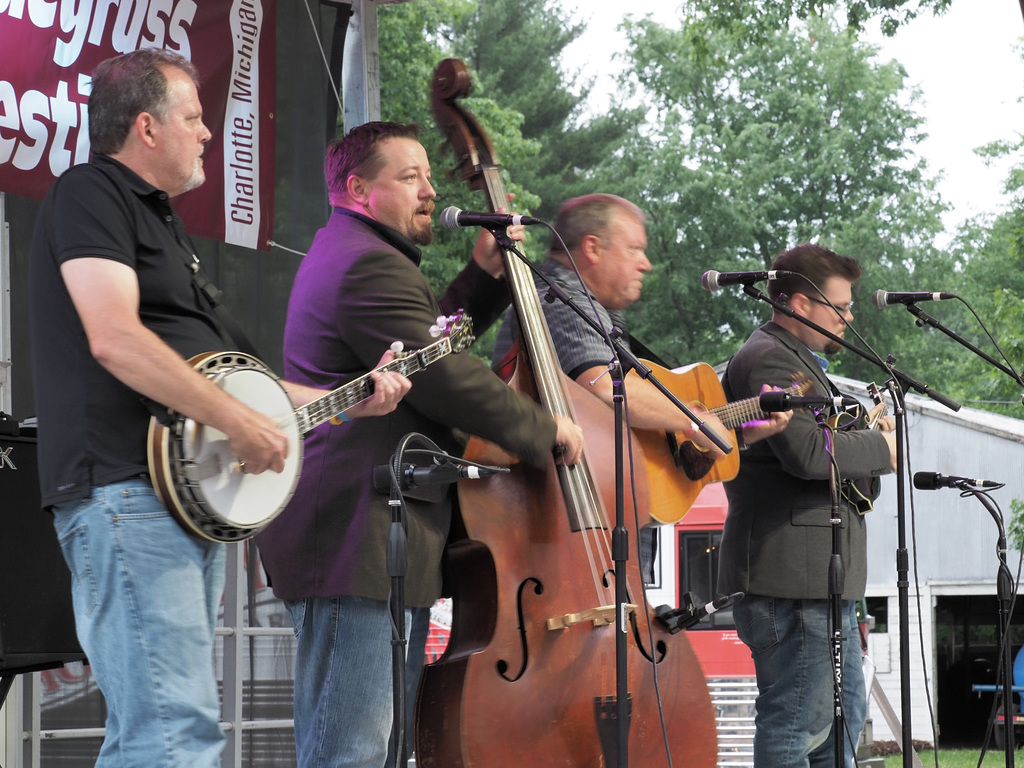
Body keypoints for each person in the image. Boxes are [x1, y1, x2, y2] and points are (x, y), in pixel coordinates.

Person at [27, 50, 408, 768]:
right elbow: (114, 339)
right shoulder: (90, 194)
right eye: (194, 118)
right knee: (173, 737)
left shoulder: (160, 226)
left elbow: (245, 385)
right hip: (124, 492)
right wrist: (237, 424)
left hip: (171, 503)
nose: (208, 133)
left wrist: (352, 400)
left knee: (159, 734)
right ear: (145, 127)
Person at [253, 121, 584, 768]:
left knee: (372, 751)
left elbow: (422, 347)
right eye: (410, 178)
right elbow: (442, 376)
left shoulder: (362, 255)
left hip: (373, 535)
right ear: (358, 189)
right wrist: (546, 430)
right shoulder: (366, 263)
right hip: (355, 533)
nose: (431, 191)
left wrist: (483, 278)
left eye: (430, 176)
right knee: (351, 751)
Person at [492, 193, 790, 522]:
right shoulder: (559, 297)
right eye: (634, 248)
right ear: (592, 248)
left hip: (600, 517)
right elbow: (607, 389)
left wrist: (743, 432)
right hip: (574, 522)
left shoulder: (598, 309)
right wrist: (693, 420)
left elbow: (643, 432)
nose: (646, 263)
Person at [717, 243, 898, 768]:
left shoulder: (799, 362)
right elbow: (806, 452)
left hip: (816, 578)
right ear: (799, 304)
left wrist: (864, 436)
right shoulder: (772, 358)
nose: (848, 318)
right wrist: (882, 448)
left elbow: (827, 453)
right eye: (839, 307)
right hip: (790, 580)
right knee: (796, 721)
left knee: (839, 721)